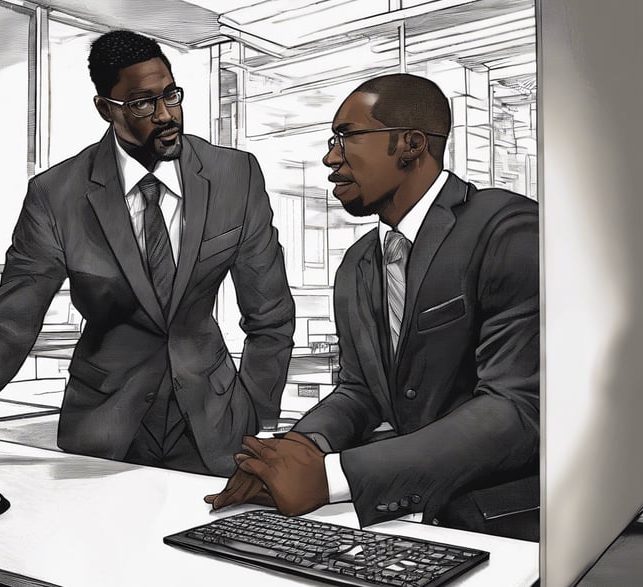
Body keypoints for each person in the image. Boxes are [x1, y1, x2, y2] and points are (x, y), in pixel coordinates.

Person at [0, 30, 294, 476]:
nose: (167, 114)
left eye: (171, 94)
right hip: (104, 428)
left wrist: (259, 422)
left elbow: (269, 314)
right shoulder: (57, 195)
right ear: (105, 109)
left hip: (217, 425)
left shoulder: (234, 174)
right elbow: (12, 321)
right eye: (142, 102)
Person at [206, 73, 539, 540]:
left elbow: (516, 408)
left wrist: (331, 476)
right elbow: (359, 390)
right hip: (402, 523)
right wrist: (296, 449)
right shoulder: (359, 264)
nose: (330, 156)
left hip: (499, 525)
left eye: (346, 136)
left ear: (411, 143)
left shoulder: (507, 229)